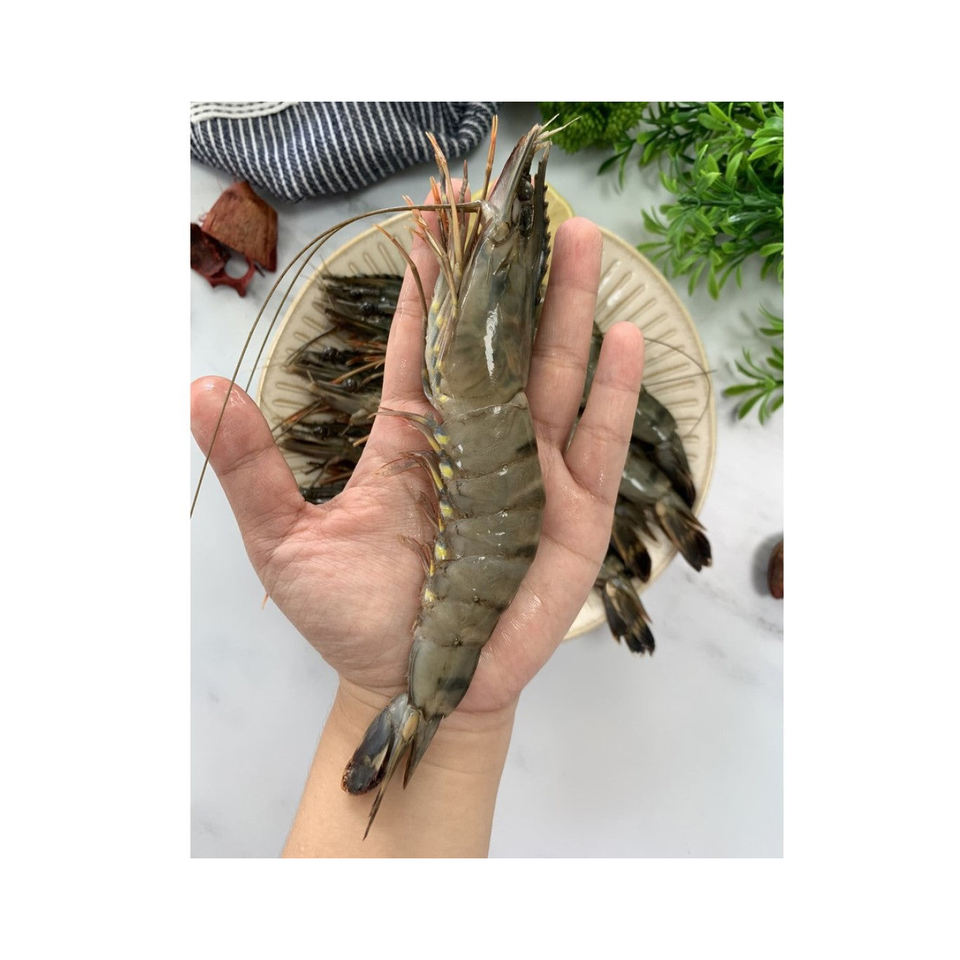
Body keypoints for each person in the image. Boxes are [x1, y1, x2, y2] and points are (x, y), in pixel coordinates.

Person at [190, 212, 645, 857]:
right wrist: (462, 726)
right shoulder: (473, 387)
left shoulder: (459, 380)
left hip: (465, 591)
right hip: (467, 582)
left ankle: (417, 714)